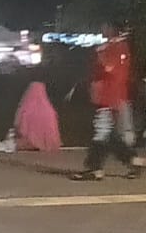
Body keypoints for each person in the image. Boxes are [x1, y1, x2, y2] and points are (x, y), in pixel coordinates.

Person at [72, 22, 144, 180]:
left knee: (101, 131)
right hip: (107, 96)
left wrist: (100, 54)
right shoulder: (114, 46)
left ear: (113, 29)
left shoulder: (117, 47)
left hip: (108, 96)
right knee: (109, 136)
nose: (103, 30)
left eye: (106, 27)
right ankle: (133, 160)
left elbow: (110, 68)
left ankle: (94, 168)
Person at [13, 81, 62, 152]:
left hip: (29, 144)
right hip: (46, 144)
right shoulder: (49, 110)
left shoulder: (26, 109)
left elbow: (21, 128)